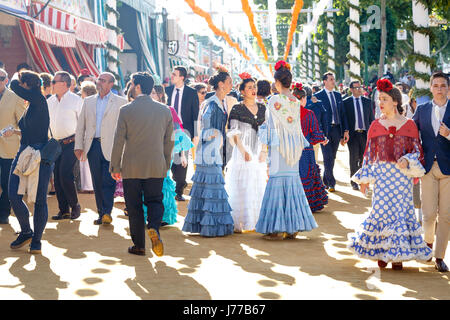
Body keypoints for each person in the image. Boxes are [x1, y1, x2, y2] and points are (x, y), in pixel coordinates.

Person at [349, 79, 432, 270]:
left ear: (395, 101)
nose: (381, 103)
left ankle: (397, 255)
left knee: (400, 213)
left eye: (384, 99)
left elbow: (418, 152)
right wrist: (365, 180)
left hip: (402, 177)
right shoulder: (375, 126)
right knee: (381, 212)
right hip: (382, 176)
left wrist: (407, 159)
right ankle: (382, 253)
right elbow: (369, 156)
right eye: (379, 99)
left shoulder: (410, 125)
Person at [110, 72, 174, 256]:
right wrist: (166, 162)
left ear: (137, 86)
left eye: (131, 83)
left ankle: (139, 245)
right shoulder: (165, 110)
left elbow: (118, 141)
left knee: (134, 205)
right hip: (156, 164)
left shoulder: (126, 110)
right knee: (155, 200)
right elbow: (169, 141)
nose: (130, 86)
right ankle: (153, 226)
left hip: (132, 166)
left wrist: (115, 166)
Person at [255, 61, 318, 240]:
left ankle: (275, 228)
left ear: (277, 82)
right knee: (292, 182)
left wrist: (263, 144)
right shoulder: (295, 101)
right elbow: (297, 127)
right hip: (293, 147)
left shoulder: (274, 100)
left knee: (276, 181)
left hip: (278, 146)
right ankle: (292, 226)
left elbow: (270, 126)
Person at [182, 68, 234, 237]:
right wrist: (216, 135)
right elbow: (204, 128)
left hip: (213, 150)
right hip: (210, 151)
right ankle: (211, 227)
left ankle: (206, 225)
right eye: (229, 82)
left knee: (209, 187)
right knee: (213, 187)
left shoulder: (219, 102)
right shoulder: (212, 103)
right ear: (220, 84)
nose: (231, 85)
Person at [7, 71, 53, 254]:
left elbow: (13, 86)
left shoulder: (38, 98)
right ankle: (26, 231)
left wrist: (15, 78)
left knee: (40, 199)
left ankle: (37, 240)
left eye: (21, 83)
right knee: (13, 195)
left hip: (39, 155)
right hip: (24, 151)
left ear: (27, 84)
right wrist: (15, 132)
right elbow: (31, 130)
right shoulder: (34, 103)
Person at [74, 72, 127, 225]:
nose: (99, 83)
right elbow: (81, 126)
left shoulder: (120, 102)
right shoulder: (88, 101)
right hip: (93, 146)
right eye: (98, 80)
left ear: (111, 84)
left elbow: (124, 128)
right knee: (97, 181)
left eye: (103, 81)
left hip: (112, 147)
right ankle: (101, 212)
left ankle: (107, 212)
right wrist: (79, 145)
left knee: (108, 180)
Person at [412, 71, 450, 272]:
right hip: (427, 167)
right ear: (430, 88)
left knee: (446, 215)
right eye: (435, 86)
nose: (439, 89)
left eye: (443, 85)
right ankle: (427, 244)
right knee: (427, 215)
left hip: (448, 169)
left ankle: (439, 256)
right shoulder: (423, 109)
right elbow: (411, 132)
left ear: (448, 88)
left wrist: (449, 134)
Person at [225, 74, 267, 233]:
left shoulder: (263, 108)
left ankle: (256, 220)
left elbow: (266, 130)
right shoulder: (237, 108)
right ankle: (239, 222)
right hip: (242, 151)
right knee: (241, 185)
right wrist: (243, 151)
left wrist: (263, 150)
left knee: (257, 183)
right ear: (242, 91)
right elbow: (233, 131)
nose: (253, 90)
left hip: (258, 151)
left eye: (254, 87)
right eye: (249, 87)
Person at [148, 84, 193, 226]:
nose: (152, 95)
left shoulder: (170, 110)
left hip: (165, 153)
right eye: (151, 93)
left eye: (154, 93)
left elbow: (179, 133)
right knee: (148, 183)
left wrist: (182, 155)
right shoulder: (145, 110)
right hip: (148, 152)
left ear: (161, 95)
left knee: (163, 182)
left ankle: (164, 216)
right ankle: (148, 215)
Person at [48, 71, 83, 221]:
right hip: (56, 143)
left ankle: (75, 205)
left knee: (65, 174)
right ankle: (64, 210)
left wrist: (80, 144)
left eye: (54, 82)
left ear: (64, 84)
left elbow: (83, 123)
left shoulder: (76, 100)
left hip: (72, 142)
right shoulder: (50, 100)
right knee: (57, 176)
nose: (52, 84)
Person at [292, 83, 328, 213]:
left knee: (294, 176)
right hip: (306, 151)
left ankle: (294, 203)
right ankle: (308, 203)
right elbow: (315, 134)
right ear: (302, 99)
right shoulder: (308, 113)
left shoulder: (287, 114)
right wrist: (322, 139)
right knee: (306, 175)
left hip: (290, 151)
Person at [165, 66, 199, 201]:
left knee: (181, 160)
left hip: (184, 130)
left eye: (174, 74)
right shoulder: (167, 90)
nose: (171, 76)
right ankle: (172, 183)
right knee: (169, 157)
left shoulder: (191, 92)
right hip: (167, 128)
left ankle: (179, 190)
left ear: (182, 77)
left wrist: (196, 133)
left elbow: (195, 114)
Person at [314, 72, 349, 192]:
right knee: (327, 156)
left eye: (333, 79)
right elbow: (317, 116)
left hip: (336, 129)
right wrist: (319, 133)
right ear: (325, 81)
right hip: (325, 131)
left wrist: (345, 130)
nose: (333, 82)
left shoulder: (338, 95)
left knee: (332, 157)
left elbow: (343, 114)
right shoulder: (318, 96)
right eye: (331, 79)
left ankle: (326, 180)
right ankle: (331, 182)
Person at [0, 68, 26, 225]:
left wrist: (14, 132)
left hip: (9, 148)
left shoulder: (15, 98)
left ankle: (3, 212)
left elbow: (24, 126)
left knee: (5, 183)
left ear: (6, 80)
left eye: (0, 78)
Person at [343, 80, 375, 190]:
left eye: (360, 87)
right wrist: (345, 132)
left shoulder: (367, 102)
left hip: (365, 134)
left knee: (363, 157)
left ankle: (362, 179)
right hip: (353, 134)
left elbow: (372, 119)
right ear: (351, 89)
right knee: (354, 157)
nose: (359, 89)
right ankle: (354, 180)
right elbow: (345, 119)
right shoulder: (346, 102)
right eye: (356, 88)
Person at [77, 82, 97, 194]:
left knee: (86, 162)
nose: (81, 94)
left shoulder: (87, 103)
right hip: (89, 134)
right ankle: (88, 186)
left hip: (88, 135)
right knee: (85, 161)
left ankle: (88, 186)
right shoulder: (91, 102)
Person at [304, 85, 326, 162]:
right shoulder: (318, 103)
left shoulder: (303, 104)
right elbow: (324, 114)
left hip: (305, 133)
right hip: (316, 132)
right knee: (315, 156)